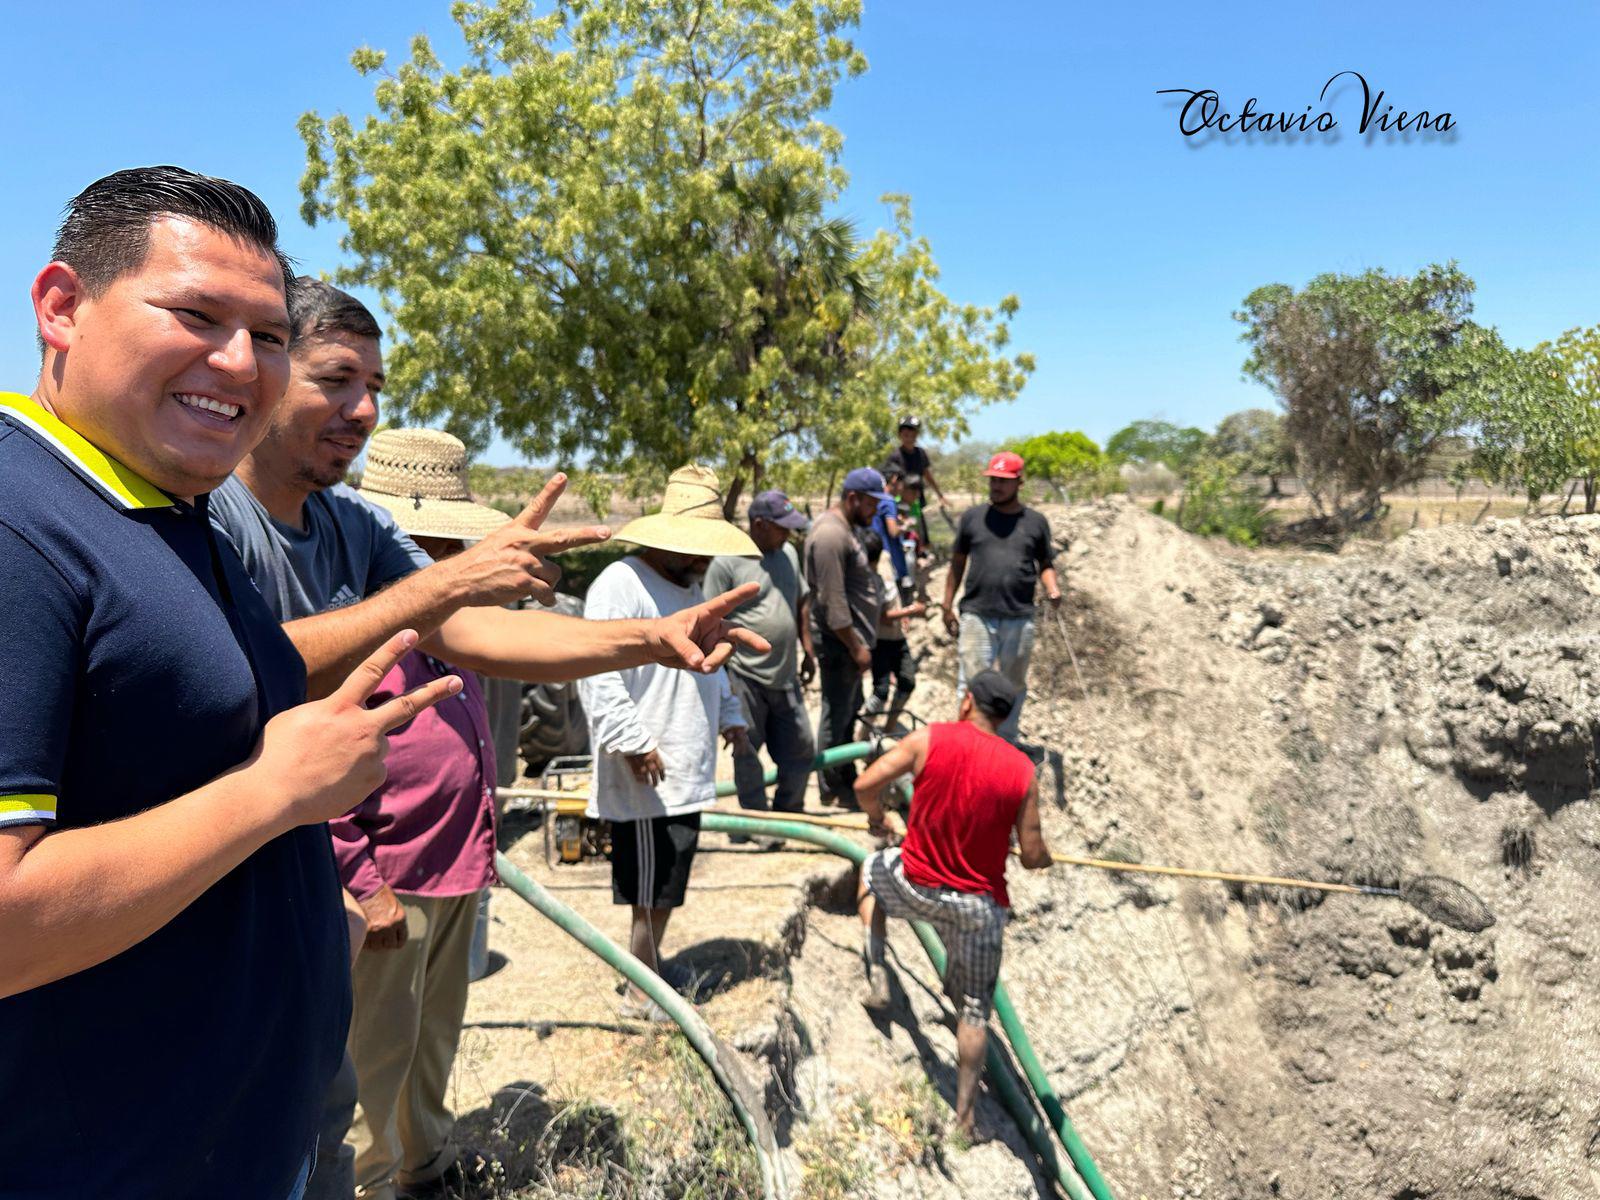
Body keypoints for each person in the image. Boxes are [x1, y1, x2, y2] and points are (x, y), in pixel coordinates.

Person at [207, 277, 769, 1197]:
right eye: (337, 380)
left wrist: (649, 639)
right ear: (267, 368)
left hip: (316, 890)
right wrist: (443, 585)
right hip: (255, 895)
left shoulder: (352, 525)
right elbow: (247, 671)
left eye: (374, 386)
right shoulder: (210, 519)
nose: (364, 410)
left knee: (344, 1103)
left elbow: (467, 630)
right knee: (302, 1116)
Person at [0, 166, 459, 1199]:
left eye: (268, 335)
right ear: (62, 307)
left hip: (248, 1137)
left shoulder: (168, 508)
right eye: (197, 316)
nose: (241, 363)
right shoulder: (20, 526)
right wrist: (273, 795)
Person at [328, 430, 513, 1200]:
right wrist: (366, 886)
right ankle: (368, 1182)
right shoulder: (357, 639)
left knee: (432, 1036)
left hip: (456, 872)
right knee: (376, 1051)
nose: (455, 559)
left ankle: (425, 1164)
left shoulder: (450, 635)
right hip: (392, 886)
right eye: (441, 545)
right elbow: (326, 781)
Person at [579, 466, 754, 1020]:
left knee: (670, 880)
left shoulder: (691, 590)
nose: (705, 559)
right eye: (696, 547)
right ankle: (639, 991)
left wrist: (730, 715)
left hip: (684, 760)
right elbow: (595, 669)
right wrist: (633, 740)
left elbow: (711, 665)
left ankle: (650, 971)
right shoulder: (621, 584)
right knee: (648, 886)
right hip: (647, 766)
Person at [852, 671, 1052, 1141]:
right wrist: (1044, 856)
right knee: (976, 1011)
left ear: (967, 703)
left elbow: (864, 785)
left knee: (870, 872)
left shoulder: (929, 739)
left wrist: (879, 818)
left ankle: (877, 969)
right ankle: (964, 1120)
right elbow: (1031, 855)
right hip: (977, 909)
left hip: (914, 885)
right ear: (1004, 717)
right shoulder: (1022, 771)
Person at [704, 490, 817, 843]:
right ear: (758, 524)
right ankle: (755, 823)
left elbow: (800, 601)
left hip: (785, 673)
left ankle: (787, 814)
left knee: (801, 747)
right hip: (744, 674)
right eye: (781, 528)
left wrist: (807, 649)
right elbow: (708, 620)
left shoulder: (788, 554)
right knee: (746, 748)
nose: (788, 534)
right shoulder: (727, 563)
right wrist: (721, 680)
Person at [941, 451, 1062, 744]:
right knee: (972, 681)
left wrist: (1052, 588)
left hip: (1019, 616)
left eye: (1003, 481)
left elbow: (1045, 564)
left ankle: (1005, 741)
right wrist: (946, 604)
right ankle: (968, 741)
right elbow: (957, 563)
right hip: (977, 613)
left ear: (1019, 483)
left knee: (1013, 683)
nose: (996, 486)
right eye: (993, 480)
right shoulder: (972, 518)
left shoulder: (1035, 522)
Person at [803, 467, 889, 808]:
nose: (875, 510)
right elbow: (832, 600)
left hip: (850, 645)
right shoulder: (830, 534)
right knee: (836, 716)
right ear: (853, 498)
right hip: (840, 645)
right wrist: (856, 647)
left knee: (848, 713)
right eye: (871, 503)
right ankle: (831, 784)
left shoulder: (845, 530)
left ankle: (843, 774)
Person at [858, 529, 926, 735]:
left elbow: (894, 592)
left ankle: (889, 727)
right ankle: (863, 733)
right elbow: (883, 617)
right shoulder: (866, 578)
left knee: (907, 681)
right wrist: (911, 610)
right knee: (881, 690)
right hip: (880, 640)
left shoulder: (885, 561)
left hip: (897, 637)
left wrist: (903, 611)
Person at [884, 415, 949, 549]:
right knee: (903, 531)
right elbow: (890, 482)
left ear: (917, 435)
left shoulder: (920, 454)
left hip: (916, 501)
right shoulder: (895, 456)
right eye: (906, 434)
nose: (909, 437)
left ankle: (922, 550)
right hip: (900, 502)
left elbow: (927, 474)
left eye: (913, 434)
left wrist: (940, 495)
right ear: (900, 435)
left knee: (921, 534)